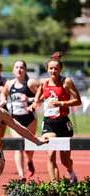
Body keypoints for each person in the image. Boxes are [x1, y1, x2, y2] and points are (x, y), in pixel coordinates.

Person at [30, 52, 82, 183]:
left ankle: (71, 172)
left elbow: (78, 101)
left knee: (65, 160)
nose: (53, 71)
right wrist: (35, 103)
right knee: (50, 155)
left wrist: (61, 103)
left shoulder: (66, 82)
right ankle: (55, 185)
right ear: (47, 69)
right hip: (49, 123)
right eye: (51, 68)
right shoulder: (44, 82)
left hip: (63, 123)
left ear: (60, 69)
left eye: (56, 68)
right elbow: (41, 95)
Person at [1, 60, 39, 180]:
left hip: (30, 119)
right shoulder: (9, 84)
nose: (19, 69)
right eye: (16, 67)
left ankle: (30, 160)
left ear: (25, 70)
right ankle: (21, 175)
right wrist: (3, 101)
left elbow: (41, 97)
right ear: (13, 70)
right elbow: (3, 94)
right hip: (15, 119)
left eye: (21, 67)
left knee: (29, 146)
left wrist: (29, 99)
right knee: (18, 145)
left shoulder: (30, 83)